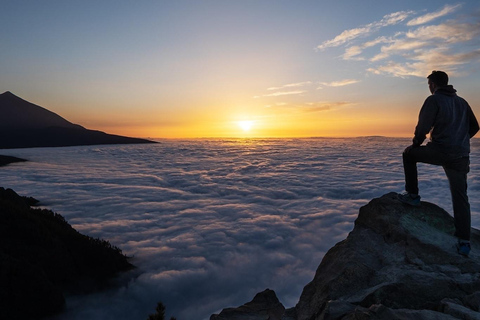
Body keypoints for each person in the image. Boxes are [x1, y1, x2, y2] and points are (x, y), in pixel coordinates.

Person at [398, 70, 479, 257]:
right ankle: (464, 241)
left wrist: (415, 145)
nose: (429, 88)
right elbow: (475, 126)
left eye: (429, 85)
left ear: (433, 84)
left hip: (440, 151)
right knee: (461, 197)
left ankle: (412, 196)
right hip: (460, 156)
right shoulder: (462, 102)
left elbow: (423, 128)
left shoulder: (433, 100)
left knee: (408, 155)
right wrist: (460, 139)